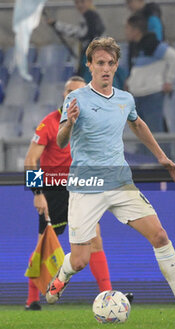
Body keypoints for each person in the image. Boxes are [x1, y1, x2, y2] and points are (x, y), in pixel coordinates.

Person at [46, 37, 175, 321]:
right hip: (87, 186)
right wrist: (70, 122)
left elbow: (137, 123)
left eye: (111, 63)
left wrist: (161, 156)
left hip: (120, 182)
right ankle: (61, 276)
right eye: (100, 63)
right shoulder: (76, 98)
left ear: (116, 65)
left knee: (159, 235)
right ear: (90, 66)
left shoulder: (125, 99)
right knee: (80, 260)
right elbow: (61, 142)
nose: (106, 68)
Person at [24, 76, 130, 310]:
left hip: (83, 187)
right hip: (54, 190)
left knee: (95, 240)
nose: (74, 95)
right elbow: (31, 159)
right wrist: (37, 193)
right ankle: (32, 298)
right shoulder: (49, 123)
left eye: (80, 91)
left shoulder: (91, 121)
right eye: (70, 91)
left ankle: (107, 295)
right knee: (45, 243)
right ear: (64, 95)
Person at [125, 14, 175, 132]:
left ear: (136, 30)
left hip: (151, 94)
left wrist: (168, 80)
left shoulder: (154, 45)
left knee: (155, 133)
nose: (125, 32)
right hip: (137, 95)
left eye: (127, 28)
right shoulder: (137, 47)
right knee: (141, 135)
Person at [47, 0, 105, 82]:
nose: (80, 5)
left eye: (82, 2)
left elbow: (81, 33)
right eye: (77, 2)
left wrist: (57, 25)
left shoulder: (90, 15)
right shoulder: (90, 16)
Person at [126, 0, 164, 73]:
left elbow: (157, 40)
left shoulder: (151, 16)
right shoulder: (138, 17)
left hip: (149, 62)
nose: (129, 6)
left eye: (130, 2)